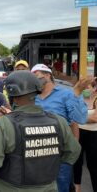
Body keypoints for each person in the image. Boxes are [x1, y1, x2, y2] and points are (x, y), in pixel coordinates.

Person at [0, 70, 81, 192]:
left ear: (12, 96)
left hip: (9, 187)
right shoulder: (58, 121)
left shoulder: (4, 123)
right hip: (48, 187)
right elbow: (73, 152)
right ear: (36, 91)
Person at [31, 63, 89, 192]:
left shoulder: (66, 94)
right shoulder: (31, 97)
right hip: (34, 152)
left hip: (60, 153)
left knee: (61, 186)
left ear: (48, 75)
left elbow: (80, 119)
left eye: (36, 75)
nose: (34, 79)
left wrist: (77, 93)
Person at [74, 84, 97, 192]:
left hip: (93, 135)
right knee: (77, 162)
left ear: (93, 88)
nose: (86, 89)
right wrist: (86, 118)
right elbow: (72, 114)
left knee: (93, 164)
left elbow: (95, 118)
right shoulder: (78, 99)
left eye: (89, 87)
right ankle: (77, 188)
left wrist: (80, 117)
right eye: (85, 88)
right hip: (78, 132)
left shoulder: (96, 99)